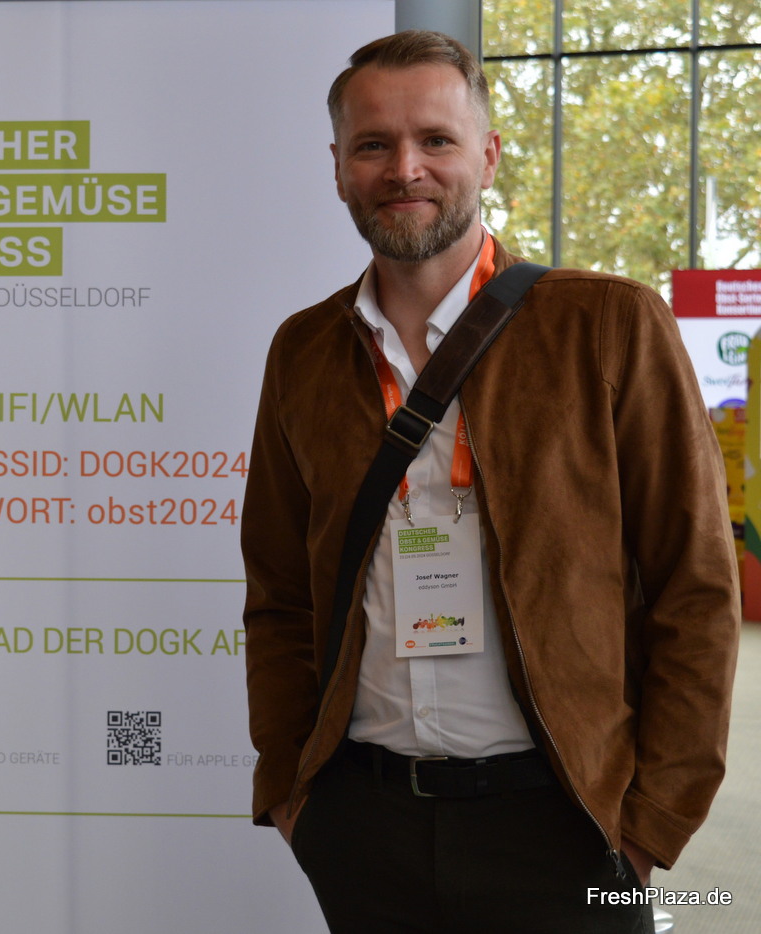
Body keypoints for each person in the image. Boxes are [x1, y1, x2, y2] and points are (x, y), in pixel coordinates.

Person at [241, 30, 739, 933]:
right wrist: (294, 794)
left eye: (436, 139)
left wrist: (648, 828)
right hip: (363, 824)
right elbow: (278, 591)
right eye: (373, 144)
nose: (405, 169)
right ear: (339, 167)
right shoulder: (304, 351)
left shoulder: (609, 324)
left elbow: (695, 587)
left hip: (568, 824)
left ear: (488, 155)